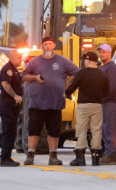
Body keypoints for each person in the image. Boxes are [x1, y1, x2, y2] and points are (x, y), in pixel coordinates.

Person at [21, 36, 78, 165]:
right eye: (45, 44)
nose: (47, 46)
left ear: (54, 46)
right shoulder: (35, 61)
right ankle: (30, 156)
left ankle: (53, 156)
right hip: (36, 103)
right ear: (42, 47)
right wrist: (35, 77)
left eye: (50, 44)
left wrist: (66, 83)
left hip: (55, 102)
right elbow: (24, 76)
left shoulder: (62, 61)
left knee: (54, 131)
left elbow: (76, 72)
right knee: (34, 130)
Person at [64, 50, 109, 166]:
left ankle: (80, 158)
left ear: (89, 61)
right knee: (96, 130)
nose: (84, 62)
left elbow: (72, 87)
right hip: (97, 106)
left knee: (81, 130)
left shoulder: (81, 73)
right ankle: (95, 158)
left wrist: (66, 94)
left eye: (85, 60)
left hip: (83, 106)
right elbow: (107, 92)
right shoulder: (103, 74)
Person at [0, 49, 24, 167]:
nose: (21, 60)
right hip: (7, 104)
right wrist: (15, 96)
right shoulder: (8, 69)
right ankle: (5, 158)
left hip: (11, 105)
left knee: (11, 132)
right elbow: (5, 84)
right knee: (8, 132)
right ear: (12, 57)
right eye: (19, 58)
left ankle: (7, 157)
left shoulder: (14, 69)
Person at [98, 42, 116, 164]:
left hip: (109, 102)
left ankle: (110, 154)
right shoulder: (103, 67)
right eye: (100, 52)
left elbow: (111, 87)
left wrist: (104, 98)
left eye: (104, 52)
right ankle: (106, 152)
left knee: (109, 128)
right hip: (104, 102)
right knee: (104, 128)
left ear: (109, 53)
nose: (101, 54)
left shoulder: (111, 67)